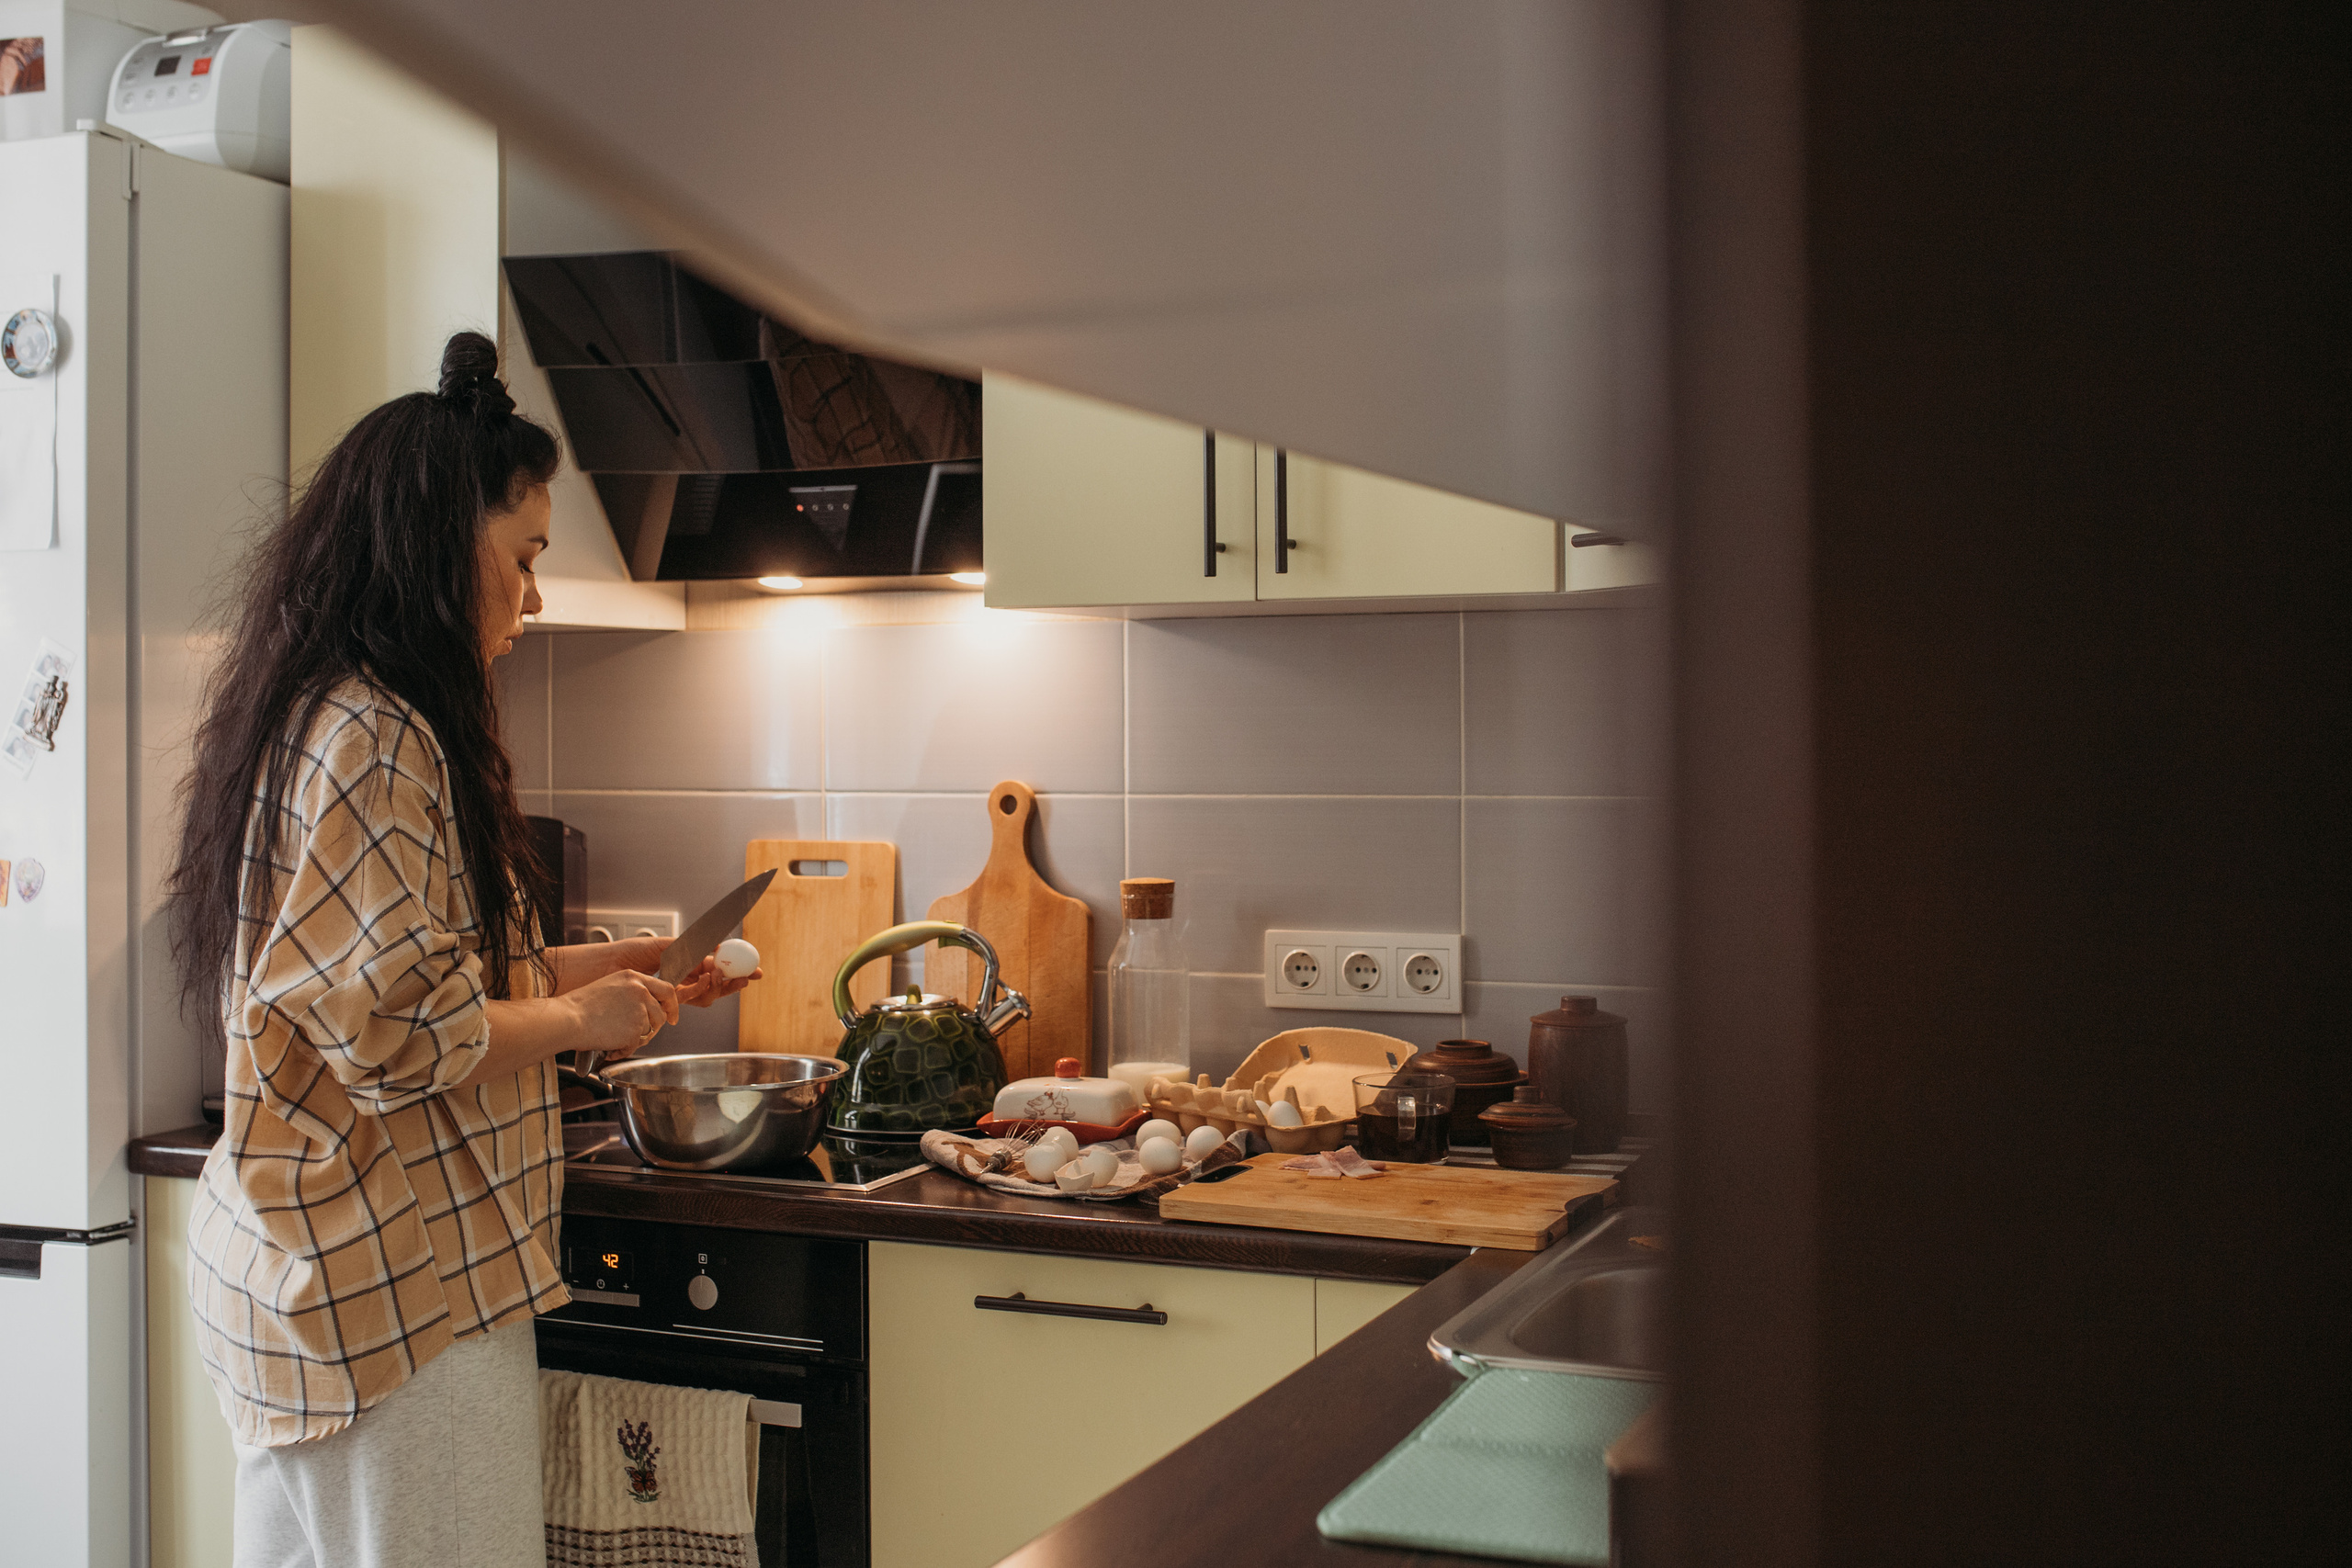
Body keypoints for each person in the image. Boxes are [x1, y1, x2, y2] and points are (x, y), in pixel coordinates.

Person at [166, 332, 757, 1567]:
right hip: (397, 1290)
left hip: (315, 1277)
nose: (535, 598)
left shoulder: (327, 706)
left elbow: (431, 980)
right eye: (525, 557)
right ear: (443, 545)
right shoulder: (381, 737)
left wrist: (617, 975)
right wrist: (584, 1024)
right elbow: (400, 1037)